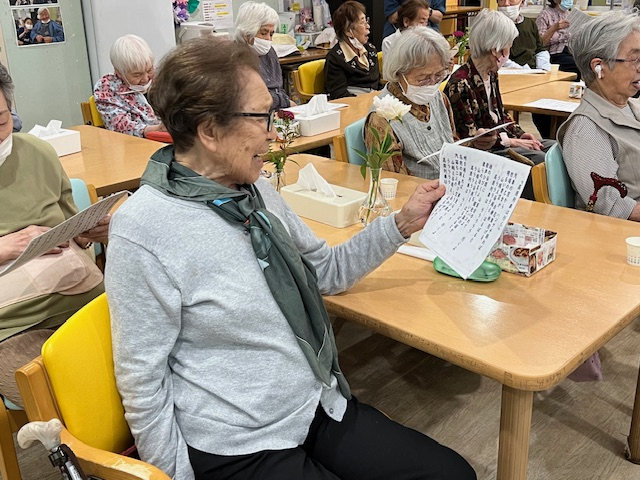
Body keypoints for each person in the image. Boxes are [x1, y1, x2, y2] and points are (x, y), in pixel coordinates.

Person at [105, 36, 476, 480]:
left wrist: (403, 222)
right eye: (262, 116)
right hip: (238, 442)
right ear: (209, 131)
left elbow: (326, 271)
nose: (273, 131)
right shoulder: (144, 229)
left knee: (453, 475)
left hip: (313, 403)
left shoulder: (255, 191)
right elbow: (142, 380)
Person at [0, 64, 108, 408]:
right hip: (15, 328)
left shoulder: (37, 152)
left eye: (1, 121)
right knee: (76, 402)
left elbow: (70, 226)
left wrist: (88, 232)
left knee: (149, 373)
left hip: (88, 301)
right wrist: (5, 247)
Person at [444, 9, 554, 200]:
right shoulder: (460, 84)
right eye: (509, 47)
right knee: (540, 161)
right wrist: (513, 141)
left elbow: (501, 115)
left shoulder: (491, 74)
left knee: (553, 148)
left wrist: (520, 134)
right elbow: (469, 137)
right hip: (483, 153)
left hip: (501, 143)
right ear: (497, 50)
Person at [558, 11, 640, 220]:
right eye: (634, 59)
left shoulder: (631, 106)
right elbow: (610, 205)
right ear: (599, 67)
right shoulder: (587, 129)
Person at [367, 26, 457, 179]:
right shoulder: (382, 117)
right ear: (399, 73)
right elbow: (393, 182)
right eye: (423, 79)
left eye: (439, 75)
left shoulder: (439, 98)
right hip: (419, 190)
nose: (432, 84)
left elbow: (453, 143)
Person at [93, 34, 164, 138]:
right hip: (137, 142)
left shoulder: (162, 77)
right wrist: (152, 130)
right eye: (137, 75)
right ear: (119, 72)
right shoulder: (107, 89)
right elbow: (118, 127)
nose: (145, 79)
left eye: (149, 70)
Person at [235, 1, 295, 111]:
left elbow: (278, 89)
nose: (268, 39)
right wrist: (285, 101)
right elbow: (256, 99)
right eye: (263, 33)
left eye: (271, 34)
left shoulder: (269, 52)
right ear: (246, 34)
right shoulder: (236, 57)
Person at [324, 1, 382, 99]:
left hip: (375, 101)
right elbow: (339, 94)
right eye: (362, 22)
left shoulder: (370, 49)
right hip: (353, 103)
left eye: (366, 21)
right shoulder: (335, 58)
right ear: (348, 31)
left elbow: (377, 84)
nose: (368, 26)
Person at [536, 0, 580, 79]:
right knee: (577, 65)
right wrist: (554, 28)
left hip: (571, 51)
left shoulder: (570, 15)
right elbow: (540, 43)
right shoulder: (544, 15)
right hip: (554, 53)